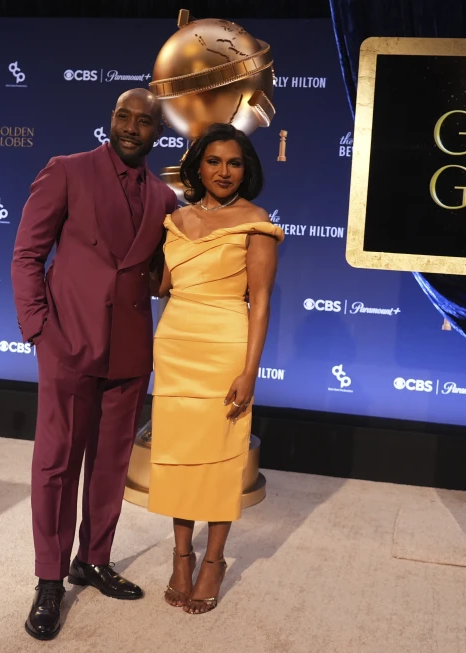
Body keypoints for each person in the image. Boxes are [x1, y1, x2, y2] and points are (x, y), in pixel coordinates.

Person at [11, 88, 177, 640]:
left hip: (130, 348)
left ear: (158, 131)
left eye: (144, 121)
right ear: (111, 120)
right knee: (56, 463)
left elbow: (156, 275)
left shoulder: (163, 198)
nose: (132, 127)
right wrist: (38, 328)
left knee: (110, 466)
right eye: (123, 117)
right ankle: (50, 577)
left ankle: (95, 558)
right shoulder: (67, 171)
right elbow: (27, 255)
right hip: (67, 342)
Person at [148, 123, 283, 614]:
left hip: (225, 344)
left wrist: (250, 373)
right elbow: (159, 286)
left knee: (222, 458)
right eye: (214, 161)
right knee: (183, 456)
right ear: (197, 166)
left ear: (246, 170)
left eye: (235, 163)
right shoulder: (175, 219)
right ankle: (181, 555)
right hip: (176, 345)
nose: (224, 171)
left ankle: (214, 561)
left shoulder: (256, 220)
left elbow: (261, 303)